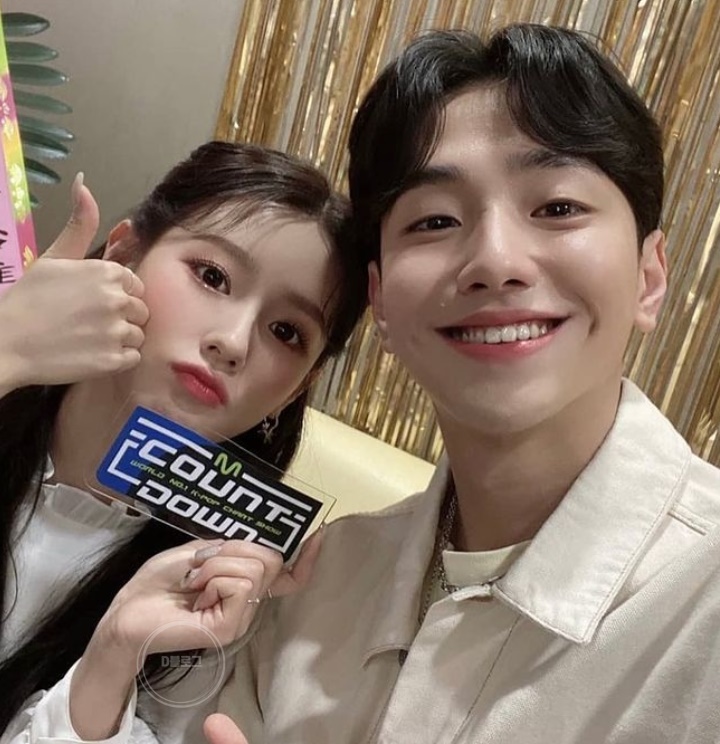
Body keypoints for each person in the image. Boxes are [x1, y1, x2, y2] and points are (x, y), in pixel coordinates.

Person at [207, 23, 720, 743]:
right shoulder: (317, 581)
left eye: (558, 208)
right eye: (435, 220)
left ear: (649, 275)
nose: (495, 260)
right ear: (380, 302)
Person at [0, 142, 367, 740]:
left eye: (286, 331)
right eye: (212, 276)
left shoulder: (226, 604)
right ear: (123, 253)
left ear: (299, 386)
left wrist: (114, 655)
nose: (234, 341)